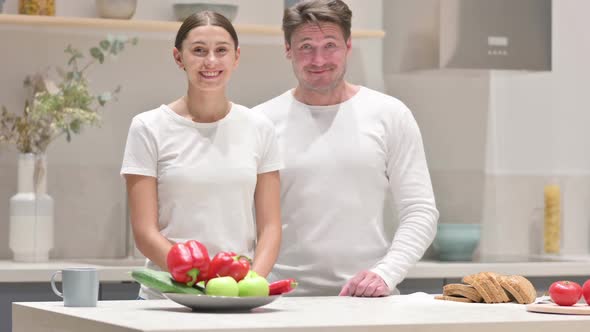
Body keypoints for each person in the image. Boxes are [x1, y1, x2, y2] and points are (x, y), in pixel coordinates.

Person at [253, 0, 439, 297]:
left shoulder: (389, 114)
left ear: (348, 46)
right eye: (305, 47)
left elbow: (420, 210)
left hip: (369, 300)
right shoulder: (259, 122)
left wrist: (385, 273)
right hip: (281, 302)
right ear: (288, 49)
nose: (318, 59)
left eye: (330, 45)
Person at [120, 11, 283, 299]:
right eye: (198, 50)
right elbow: (145, 233)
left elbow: (270, 226)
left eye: (221, 50)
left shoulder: (259, 127)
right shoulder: (148, 127)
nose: (210, 61)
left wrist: (250, 284)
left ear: (236, 57)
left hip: (239, 296)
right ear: (178, 57)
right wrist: (203, 282)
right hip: (167, 299)